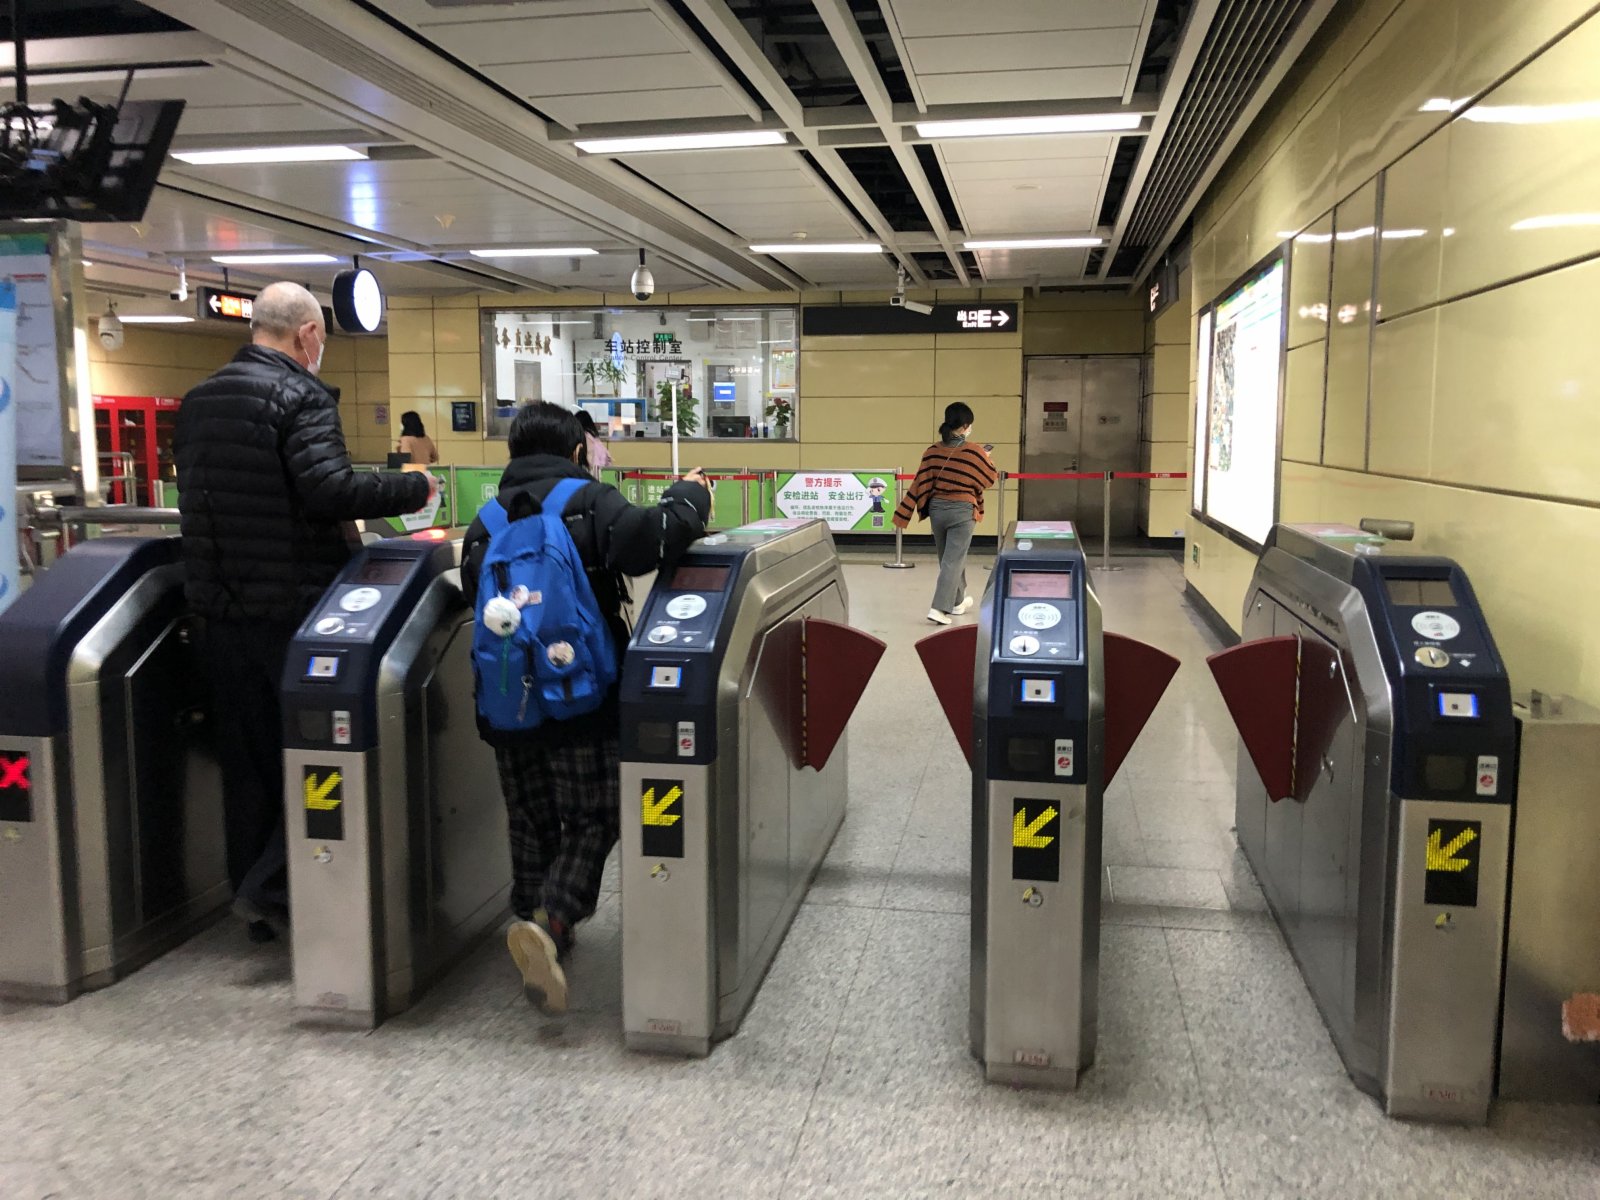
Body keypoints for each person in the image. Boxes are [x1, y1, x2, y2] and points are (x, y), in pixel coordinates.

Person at [174, 282, 436, 943]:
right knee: (320, 754)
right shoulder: (301, 395)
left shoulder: (199, 400)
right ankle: (274, 889)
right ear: (308, 335)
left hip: (215, 611)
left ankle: (258, 904)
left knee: (248, 764)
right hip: (291, 610)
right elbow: (328, 489)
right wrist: (413, 485)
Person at [460, 401, 709, 1014]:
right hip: (581, 698)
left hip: (507, 704)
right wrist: (690, 493)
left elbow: (473, 596)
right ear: (576, 450)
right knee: (596, 816)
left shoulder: (485, 522)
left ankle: (530, 919)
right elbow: (657, 537)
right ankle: (551, 920)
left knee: (530, 818)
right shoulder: (588, 502)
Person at [892, 401, 998, 625]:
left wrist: (904, 511)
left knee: (949, 559)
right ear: (965, 426)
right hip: (962, 511)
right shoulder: (974, 451)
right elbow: (989, 479)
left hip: (937, 510)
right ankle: (939, 608)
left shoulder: (932, 451)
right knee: (953, 560)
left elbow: (920, 481)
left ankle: (957, 602)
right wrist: (987, 458)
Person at [575, 409, 611, 476]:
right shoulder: (594, 437)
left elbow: (589, 457)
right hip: (600, 471)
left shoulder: (585, 437)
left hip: (591, 471)